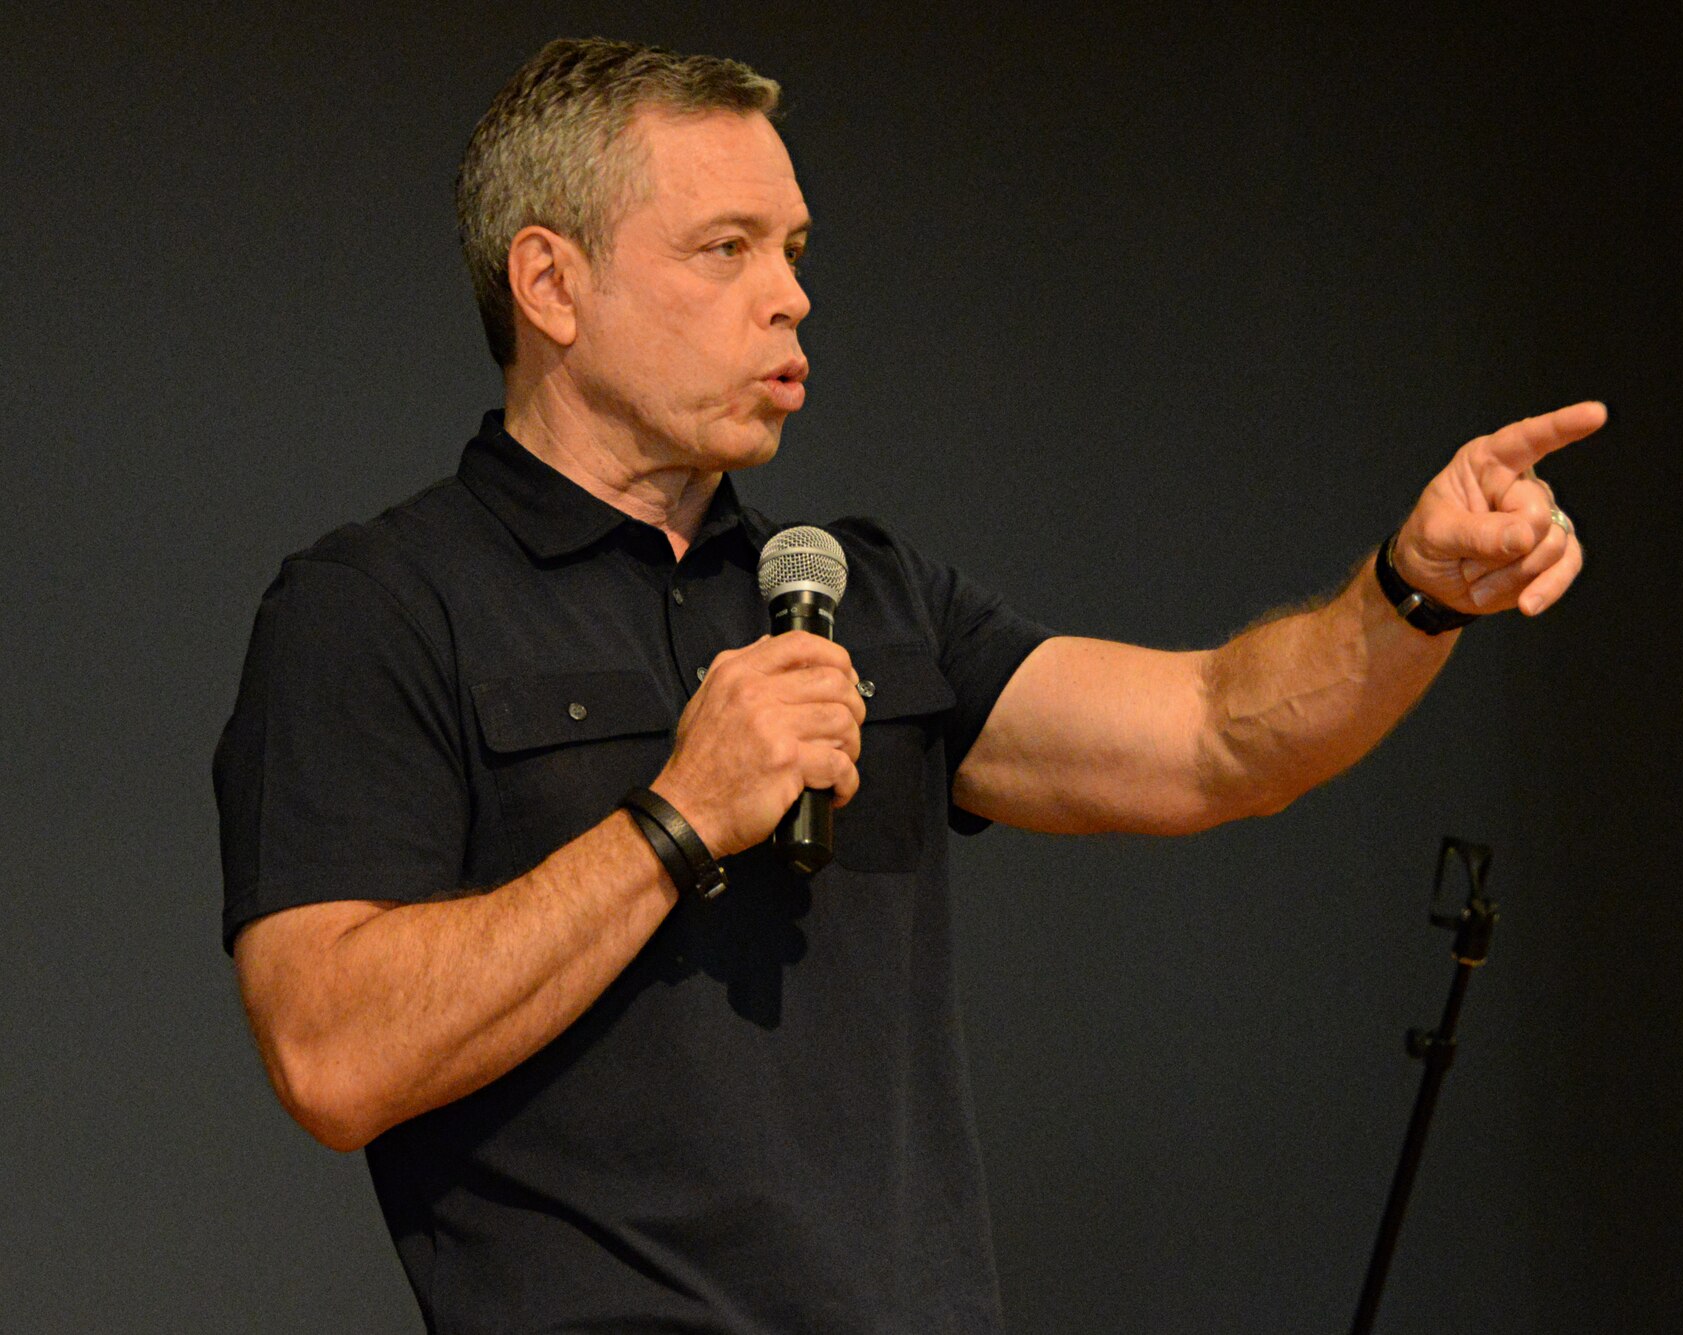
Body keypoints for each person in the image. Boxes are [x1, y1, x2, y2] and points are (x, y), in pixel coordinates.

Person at [214, 37, 1601, 1335]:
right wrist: (675, 817)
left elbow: (1214, 738)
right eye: (727, 248)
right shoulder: (382, 606)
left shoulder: (861, 593)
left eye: (796, 248)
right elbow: (333, 1055)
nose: (793, 293)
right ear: (551, 284)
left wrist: (1412, 592)